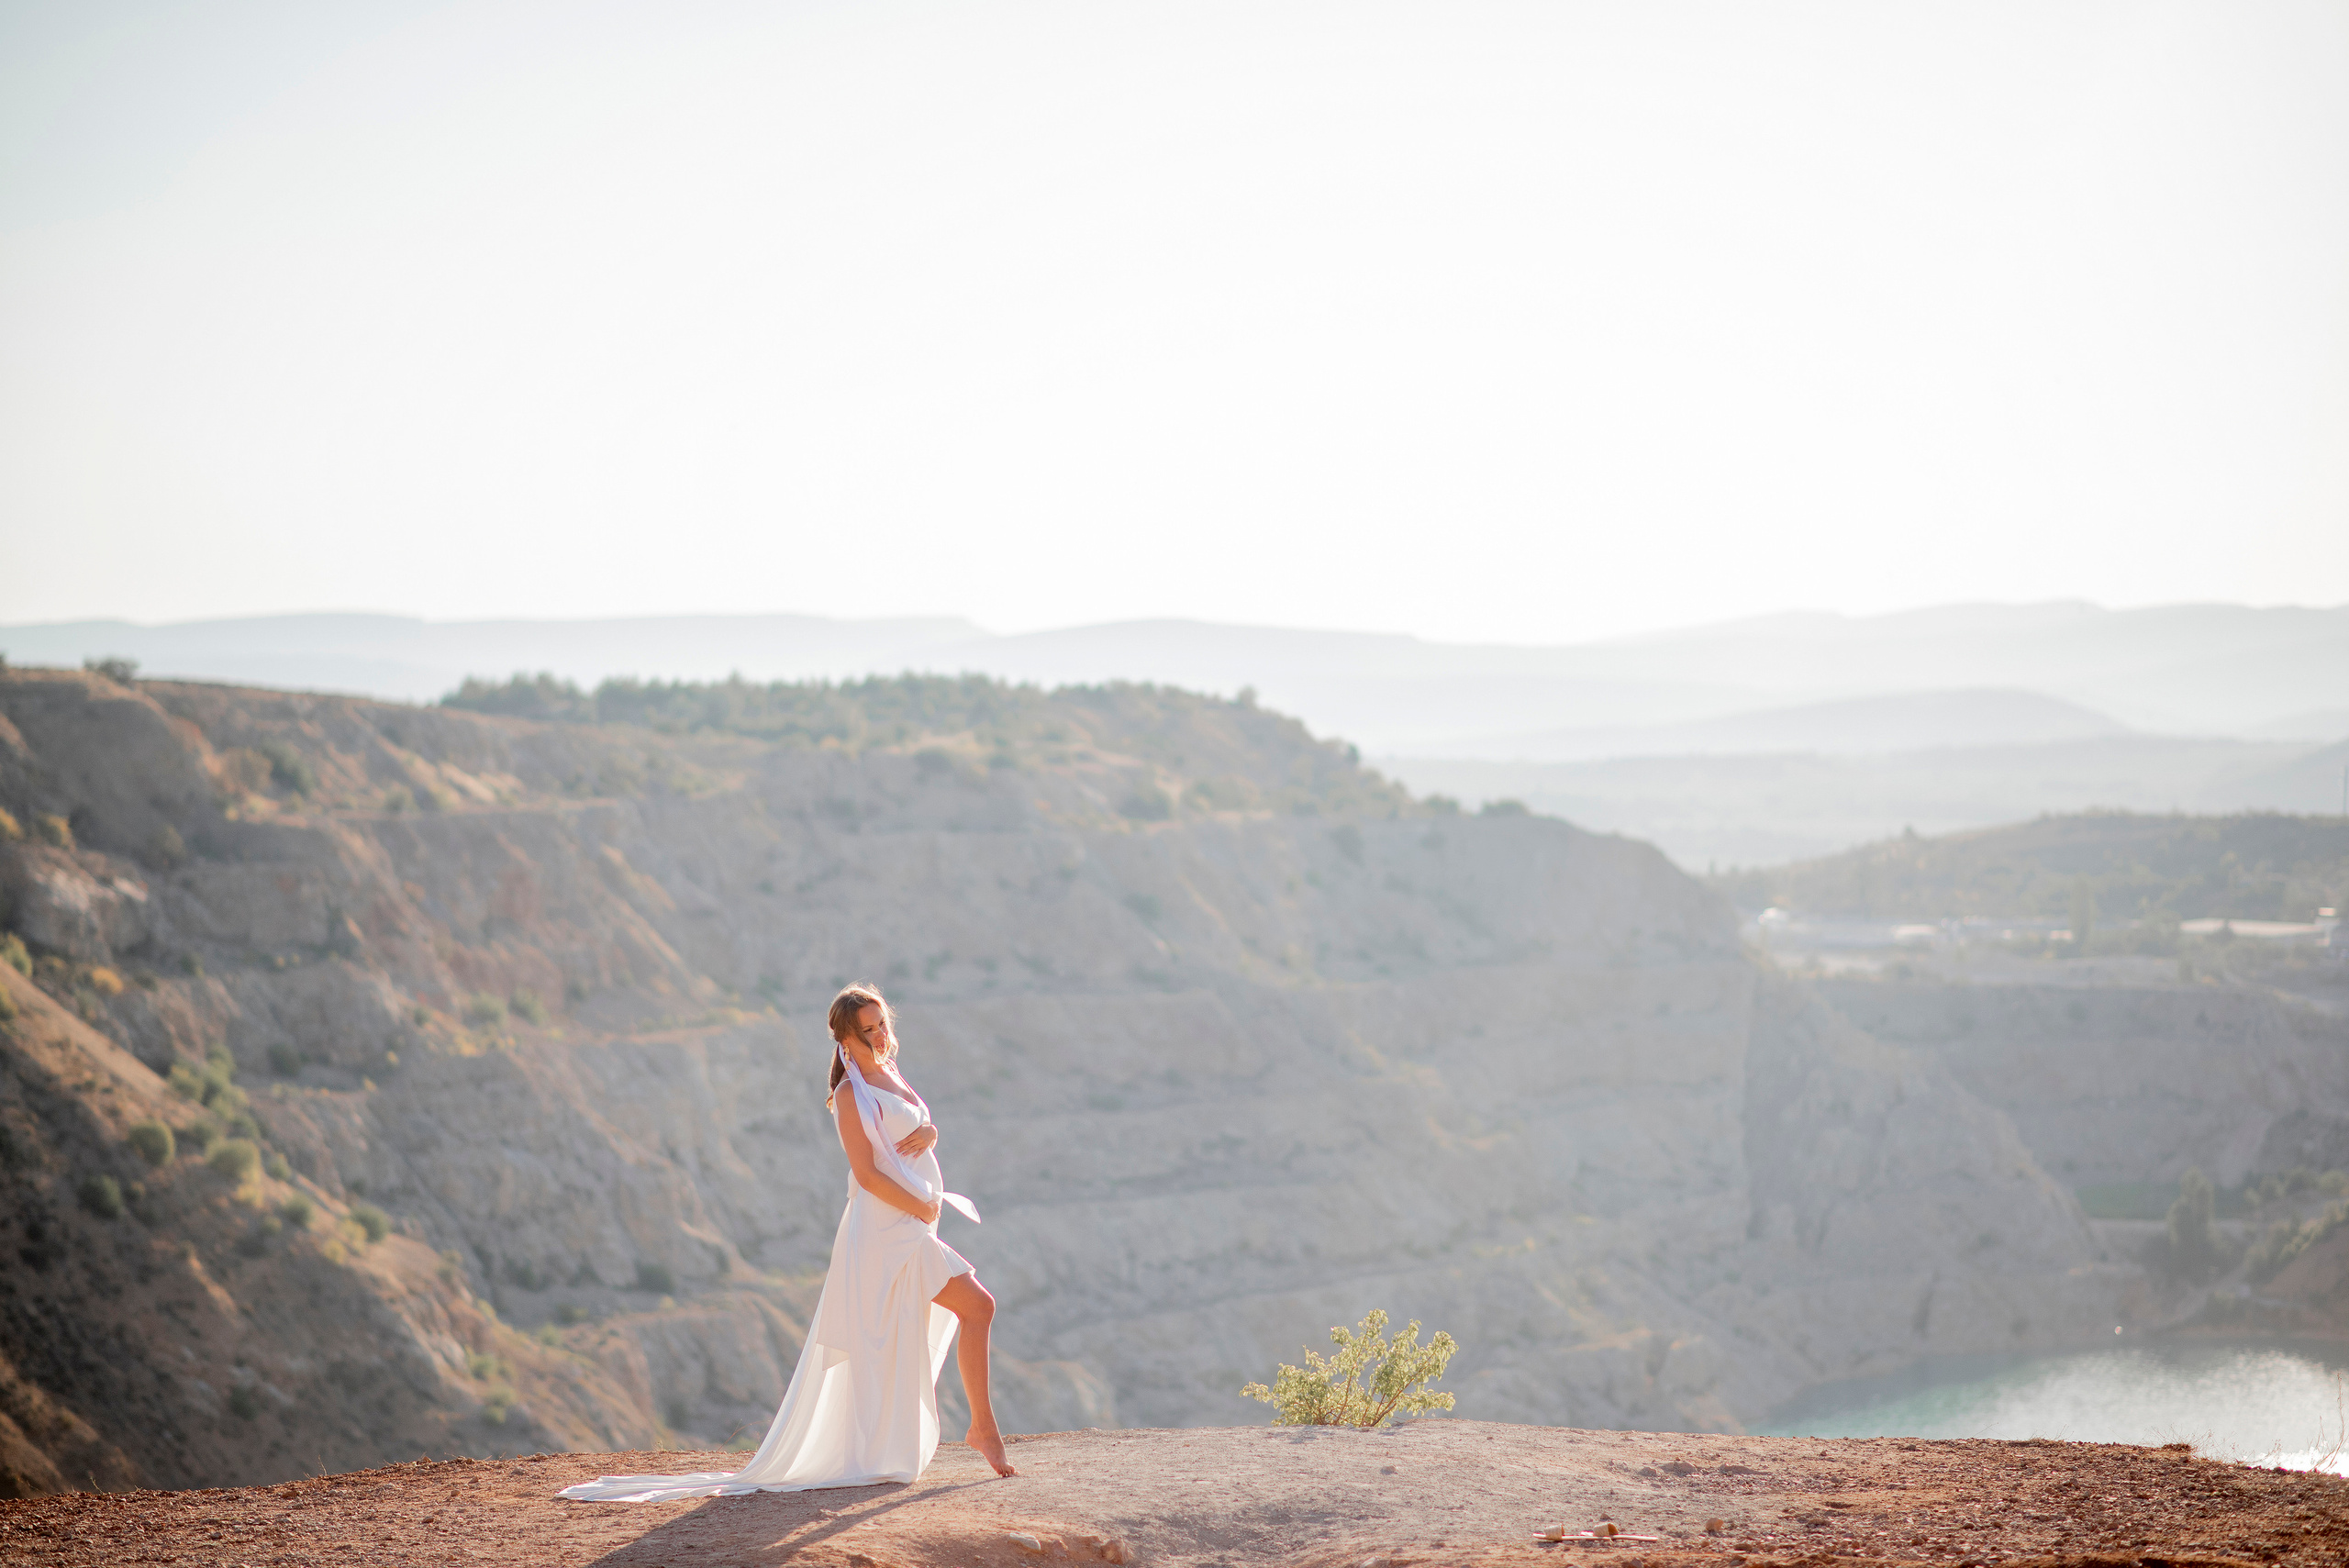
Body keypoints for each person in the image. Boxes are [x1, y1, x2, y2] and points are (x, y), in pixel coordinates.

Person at [559, 984, 1015, 1500]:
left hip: (913, 1224)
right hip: (889, 1230)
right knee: (976, 1306)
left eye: (882, 1023)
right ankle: (982, 1429)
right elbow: (865, 1174)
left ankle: (960, 1430)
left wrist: (931, 1134)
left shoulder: (890, 1072)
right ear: (845, 1037)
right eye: (867, 1030)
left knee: (925, 1326)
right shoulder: (848, 1095)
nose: (880, 1035)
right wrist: (923, 1205)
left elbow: (911, 1129)